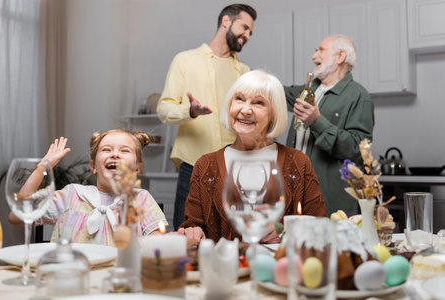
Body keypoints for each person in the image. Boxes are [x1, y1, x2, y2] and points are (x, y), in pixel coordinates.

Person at [177, 70, 327, 243]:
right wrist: (193, 232)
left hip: (279, 267)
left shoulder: (298, 163)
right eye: (239, 99)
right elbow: (193, 225)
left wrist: (286, 234)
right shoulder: (205, 165)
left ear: (273, 114)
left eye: (258, 103)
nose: (246, 110)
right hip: (227, 268)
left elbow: (319, 226)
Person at [156, 4, 257, 230]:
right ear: (226, 22)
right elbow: (164, 110)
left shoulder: (244, 72)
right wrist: (189, 111)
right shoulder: (184, 60)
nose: (248, 36)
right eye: (244, 27)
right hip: (193, 168)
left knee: (235, 236)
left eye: (251, 32)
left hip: (235, 169)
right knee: (187, 234)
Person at [9, 129, 168, 245]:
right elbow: (17, 215)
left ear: (137, 169)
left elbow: (158, 247)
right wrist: (42, 167)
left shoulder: (141, 199)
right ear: (93, 166)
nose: (115, 154)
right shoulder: (71, 195)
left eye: (124, 150)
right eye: (106, 149)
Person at [285, 34, 374, 217]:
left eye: (320, 50)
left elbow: (358, 150)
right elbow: (273, 91)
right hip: (294, 193)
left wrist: (316, 122)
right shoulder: (308, 90)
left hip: (331, 203)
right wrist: (244, 72)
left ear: (340, 57)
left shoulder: (358, 95)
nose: (313, 56)